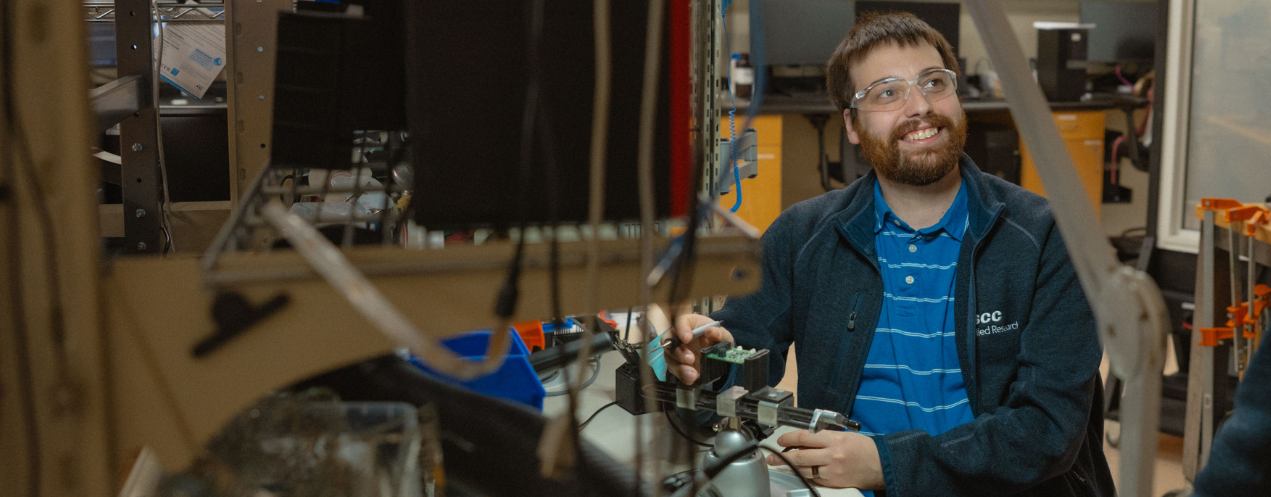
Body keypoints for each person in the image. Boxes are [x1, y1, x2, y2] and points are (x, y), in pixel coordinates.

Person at [667, 12, 1114, 496]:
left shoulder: (1047, 237)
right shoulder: (803, 235)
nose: (920, 106)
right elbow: (735, 363)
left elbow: (1047, 433)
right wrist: (700, 359)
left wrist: (887, 463)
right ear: (852, 126)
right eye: (886, 92)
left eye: (934, 82)